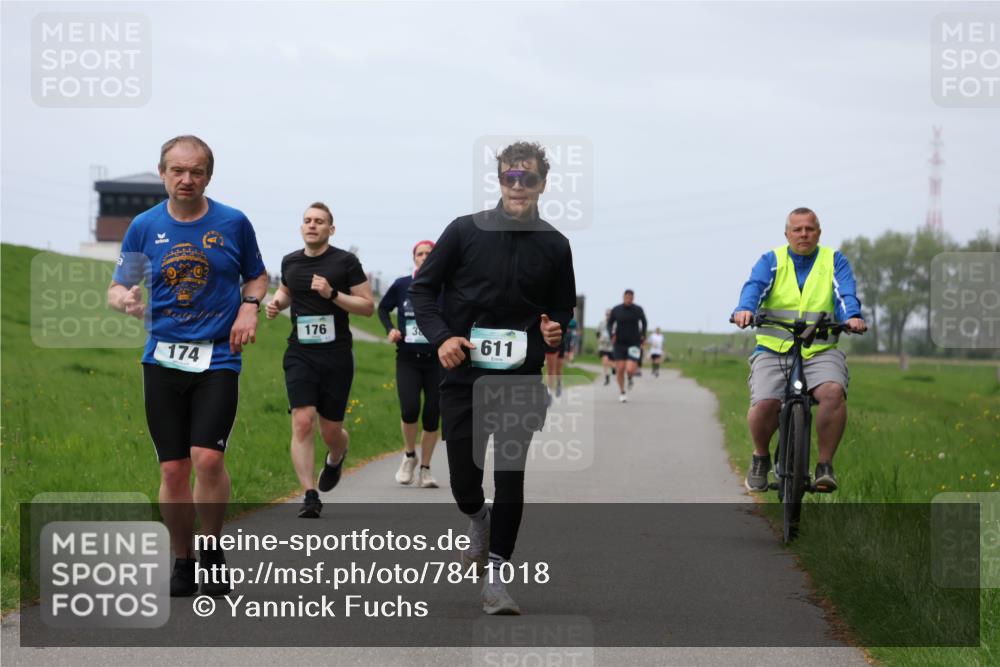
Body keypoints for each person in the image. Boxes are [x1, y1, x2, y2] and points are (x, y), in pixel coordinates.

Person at [410, 141, 576, 615]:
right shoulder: (464, 231)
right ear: (499, 180)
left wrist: (553, 329)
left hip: (520, 377)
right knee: (464, 477)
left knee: (511, 475)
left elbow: (562, 306)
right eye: (510, 177)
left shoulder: (555, 244)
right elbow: (424, 290)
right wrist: (442, 336)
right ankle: (477, 518)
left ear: (543, 183)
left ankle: (497, 578)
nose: (518, 186)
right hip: (464, 374)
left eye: (528, 178)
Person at [107, 135, 268, 597]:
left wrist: (250, 306)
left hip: (217, 355)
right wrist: (126, 301)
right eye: (177, 170)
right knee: (174, 471)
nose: (186, 179)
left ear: (208, 176)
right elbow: (118, 287)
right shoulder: (143, 226)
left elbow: (256, 274)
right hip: (162, 357)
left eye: (196, 171)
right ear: (162, 173)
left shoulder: (233, 223)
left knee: (208, 458)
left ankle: (212, 548)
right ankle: (183, 560)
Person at [731, 207, 866, 493]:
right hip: (774, 348)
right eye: (797, 229)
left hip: (819, 349)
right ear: (787, 234)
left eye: (810, 228)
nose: (804, 234)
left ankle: (824, 466)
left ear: (819, 232)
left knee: (832, 392)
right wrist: (745, 309)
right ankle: (760, 457)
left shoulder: (833, 261)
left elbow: (845, 294)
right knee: (765, 404)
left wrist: (851, 316)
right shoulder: (772, 261)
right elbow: (754, 287)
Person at [265, 202, 375, 518]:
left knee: (331, 432)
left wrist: (332, 294)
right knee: (302, 420)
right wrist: (276, 304)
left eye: (319, 221)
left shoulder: (345, 262)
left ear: (331, 228)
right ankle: (309, 494)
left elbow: (366, 306)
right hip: (300, 353)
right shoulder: (291, 261)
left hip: (337, 356)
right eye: (307, 221)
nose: (312, 225)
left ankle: (337, 455)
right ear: (302, 227)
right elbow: (287, 292)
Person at [377, 240, 442, 488]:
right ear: (414, 258)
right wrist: (391, 329)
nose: (424, 257)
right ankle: (409, 456)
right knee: (410, 409)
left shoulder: (444, 286)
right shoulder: (403, 284)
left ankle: (425, 469)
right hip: (407, 358)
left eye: (429, 254)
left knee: (432, 414)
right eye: (420, 254)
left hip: (437, 360)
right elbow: (383, 309)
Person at [608, 289, 647, 402]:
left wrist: (643, 335)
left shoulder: (638, 310)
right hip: (619, 343)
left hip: (634, 343)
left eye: (631, 298)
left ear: (633, 298)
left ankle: (630, 377)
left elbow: (644, 322)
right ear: (623, 297)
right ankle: (622, 392)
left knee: (630, 369)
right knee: (620, 369)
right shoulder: (616, 309)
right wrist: (612, 334)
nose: (629, 299)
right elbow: (610, 323)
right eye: (627, 297)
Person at [596, 309, 614, 385]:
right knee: (605, 361)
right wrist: (599, 339)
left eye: (610, 315)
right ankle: (607, 376)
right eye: (607, 314)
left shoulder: (615, 324)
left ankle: (614, 368)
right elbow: (598, 332)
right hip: (603, 345)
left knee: (611, 362)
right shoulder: (602, 323)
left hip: (611, 346)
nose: (608, 316)